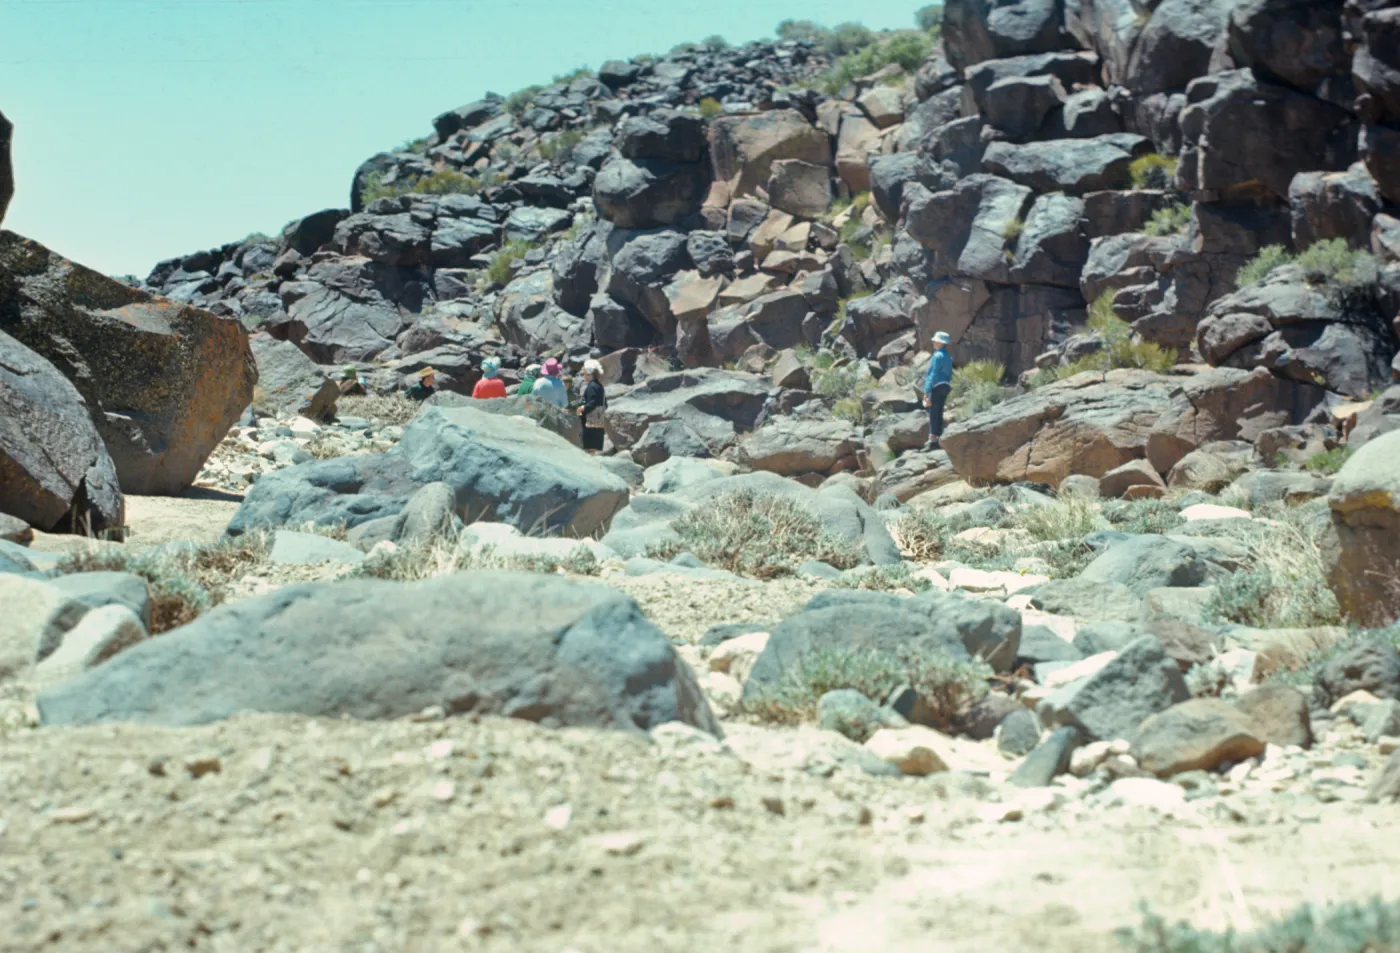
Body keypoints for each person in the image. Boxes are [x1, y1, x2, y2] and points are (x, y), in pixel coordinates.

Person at [922, 331, 954, 448]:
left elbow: (933, 374)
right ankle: (939, 436)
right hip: (945, 386)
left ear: (941, 343)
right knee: (939, 411)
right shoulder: (947, 356)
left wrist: (926, 390)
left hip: (936, 386)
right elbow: (949, 374)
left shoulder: (937, 355)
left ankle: (933, 440)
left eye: (935, 341)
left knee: (933, 413)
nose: (933, 342)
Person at [577, 359, 607, 453]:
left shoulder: (592, 386)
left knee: (588, 448)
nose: (584, 376)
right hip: (599, 420)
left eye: (585, 374)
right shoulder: (599, 385)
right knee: (594, 449)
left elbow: (593, 402)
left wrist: (582, 408)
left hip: (590, 423)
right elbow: (604, 403)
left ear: (590, 374)